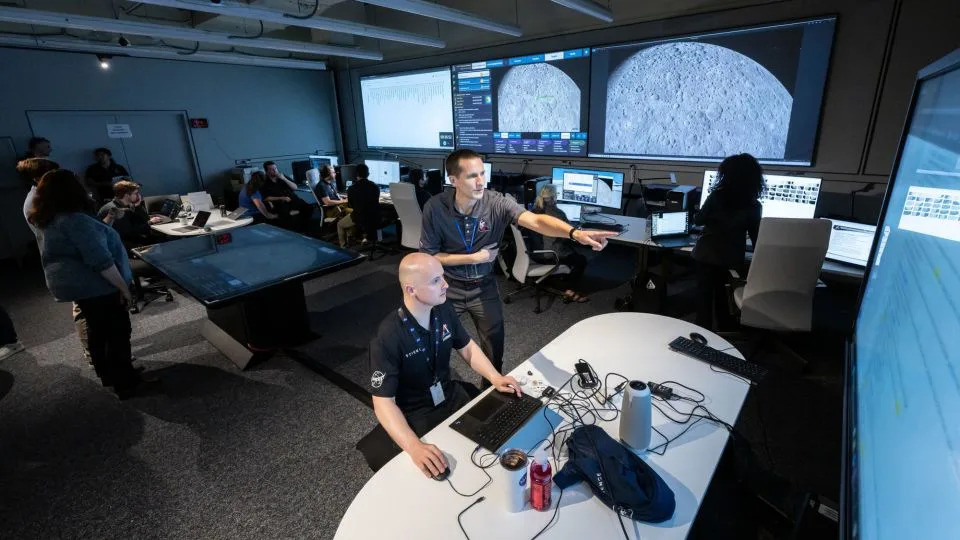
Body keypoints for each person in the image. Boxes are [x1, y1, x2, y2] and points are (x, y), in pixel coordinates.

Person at [420, 148, 616, 381]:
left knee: (494, 345)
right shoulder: (435, 208)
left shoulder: (496, 203)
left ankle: (491, 389)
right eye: (472, 176)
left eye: (482, 173)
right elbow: (429, 257)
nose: (481, 181)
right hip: (446, 288)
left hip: (483, 287)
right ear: (453, 180)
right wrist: (472, 258)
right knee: (435, 343)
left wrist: (574, 233)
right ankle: (437, 389)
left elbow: (536, 221)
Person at [362, 253, 522, 474]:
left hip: (450, 394)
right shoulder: (388, 336)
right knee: (445, 467)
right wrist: (414, 447)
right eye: (436, 280)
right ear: (411, 289)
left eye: (443, 277)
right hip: (417, 411)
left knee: (494, 439)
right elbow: (383, 403)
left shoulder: (444, 309)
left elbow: (467, 347)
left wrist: (495, 377)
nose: (446, 285)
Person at [28, 169, 156, 398]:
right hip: (97, 286)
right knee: (116, 333)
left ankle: (111, 376)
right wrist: (124, 288)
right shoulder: (75, 220)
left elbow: (91, 240)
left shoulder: (52, 218)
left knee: (99, 332)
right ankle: (126, 383)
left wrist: (108, 220)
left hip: (81, 286)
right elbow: (100, 261)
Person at [691, 153, 764, 330]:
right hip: (732, 259)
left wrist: (696, 212)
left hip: (706, 256)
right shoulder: (754, 206)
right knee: (724, 297)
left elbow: (699, 220)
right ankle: (724, 331)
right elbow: (757, 239)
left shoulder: (717, 197)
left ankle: (702, 333)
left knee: (704, 299)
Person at [532, 183, 590, 303]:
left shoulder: (533, 211)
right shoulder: (558, 214)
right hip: (551, 253)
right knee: (581, 260)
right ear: (554, 197)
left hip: (534, 253)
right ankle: (570, 291)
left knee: (571, 251)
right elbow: (570, 235)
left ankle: (561, 278)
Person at [97, 180, 165, 246]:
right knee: (161, 240)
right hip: (122, 244)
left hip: (127, 239)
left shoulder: (124, 205)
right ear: (127, 195)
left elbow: (144, 220)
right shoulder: (116, 209)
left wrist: (137, 206)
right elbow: (129, 233)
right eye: (136, 193)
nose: (138, 195)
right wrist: (150, 222)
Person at [260, 161, 313, 232]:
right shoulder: (265, 182)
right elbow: (266, 198)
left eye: (275, 168)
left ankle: (304, 228)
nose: (275, 171)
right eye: (272, 169)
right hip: (280, 203)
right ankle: (292, 231)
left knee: (309, 208)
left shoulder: (282, 176)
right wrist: (282, 198)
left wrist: (284, 179)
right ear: (267, 172)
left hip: (293, 199)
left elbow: (295, 187)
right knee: (286, 216)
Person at [344, 164, 381, 247]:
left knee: (340, 224)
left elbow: (350, 205)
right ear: (368, 174)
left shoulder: (351, 189)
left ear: (356, 174)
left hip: (359, 218)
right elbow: (376, 202)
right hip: (374, 217)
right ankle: (378, 239)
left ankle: (344, 248)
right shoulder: (375, 187)